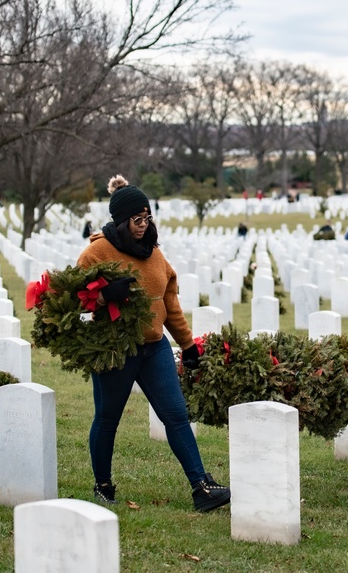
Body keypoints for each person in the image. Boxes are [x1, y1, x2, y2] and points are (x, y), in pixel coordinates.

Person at [76, 174, 230, 512]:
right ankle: (103, 485)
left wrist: (188, 345)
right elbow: (72, 299)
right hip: (117, 348)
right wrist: (103, 297)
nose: (144, 225)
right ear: (122, 220)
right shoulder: (97, 252)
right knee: (107, 418)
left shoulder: (154, 253)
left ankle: (201, 487)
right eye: (137, 219)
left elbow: (168, 302)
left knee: (176, 414)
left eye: (147, 218)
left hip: (154, 347)